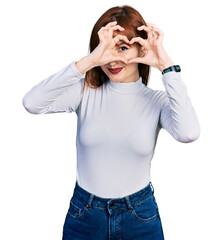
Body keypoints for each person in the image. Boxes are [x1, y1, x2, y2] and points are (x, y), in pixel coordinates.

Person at [22, 4, 200, 240]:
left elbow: (188, 133)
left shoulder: (156, 101)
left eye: (123, 48)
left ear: (141, 49)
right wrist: (89, 61)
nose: (112, 59)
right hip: (84, 215)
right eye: (105, 49)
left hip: (139, 217)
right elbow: (32, 103)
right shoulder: (85, 92)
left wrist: (165, 65)